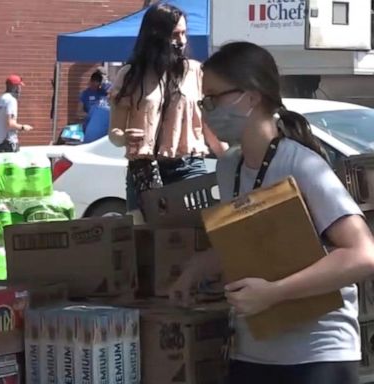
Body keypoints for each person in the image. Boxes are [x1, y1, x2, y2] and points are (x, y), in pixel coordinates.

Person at [169, 41, 374, 384]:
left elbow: (363, 254)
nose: (206, 111)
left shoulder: (301, 164)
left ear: (250, 97)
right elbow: (247, 242)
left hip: (317, 355)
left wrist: (275, 292)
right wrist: (198, 267)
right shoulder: (229, 167)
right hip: (253, 350)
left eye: (213, 99)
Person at [108, 3, 227, 211]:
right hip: (144, 168)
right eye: (174, 35)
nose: (181, 41)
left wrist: (228, 158)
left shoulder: (195, 71)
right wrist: (124, 136)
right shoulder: (130, 75)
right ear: (155, 36)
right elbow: (114, 133)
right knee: (145, 235)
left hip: (188, 166)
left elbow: (206, 124)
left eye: (184, 33)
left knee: (193, 234)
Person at [0, 75, 33, 152]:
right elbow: (11, 124)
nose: (20, 89)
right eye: (19, 86)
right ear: (14, 87)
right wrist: (23, 127)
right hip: (8, 144)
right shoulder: (11, 100)